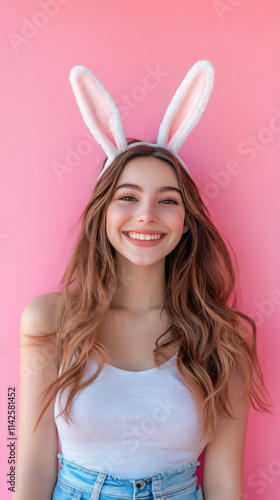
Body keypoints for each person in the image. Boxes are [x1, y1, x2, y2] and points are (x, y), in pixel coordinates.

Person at [13, 62, 271, 500]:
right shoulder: (48, 319)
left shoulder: (224, 335)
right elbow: (32, 467)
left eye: (167, 201)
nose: (147, 214)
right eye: (128, 197)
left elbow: (225, 482)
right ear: (103, 214)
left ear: (187, 222)